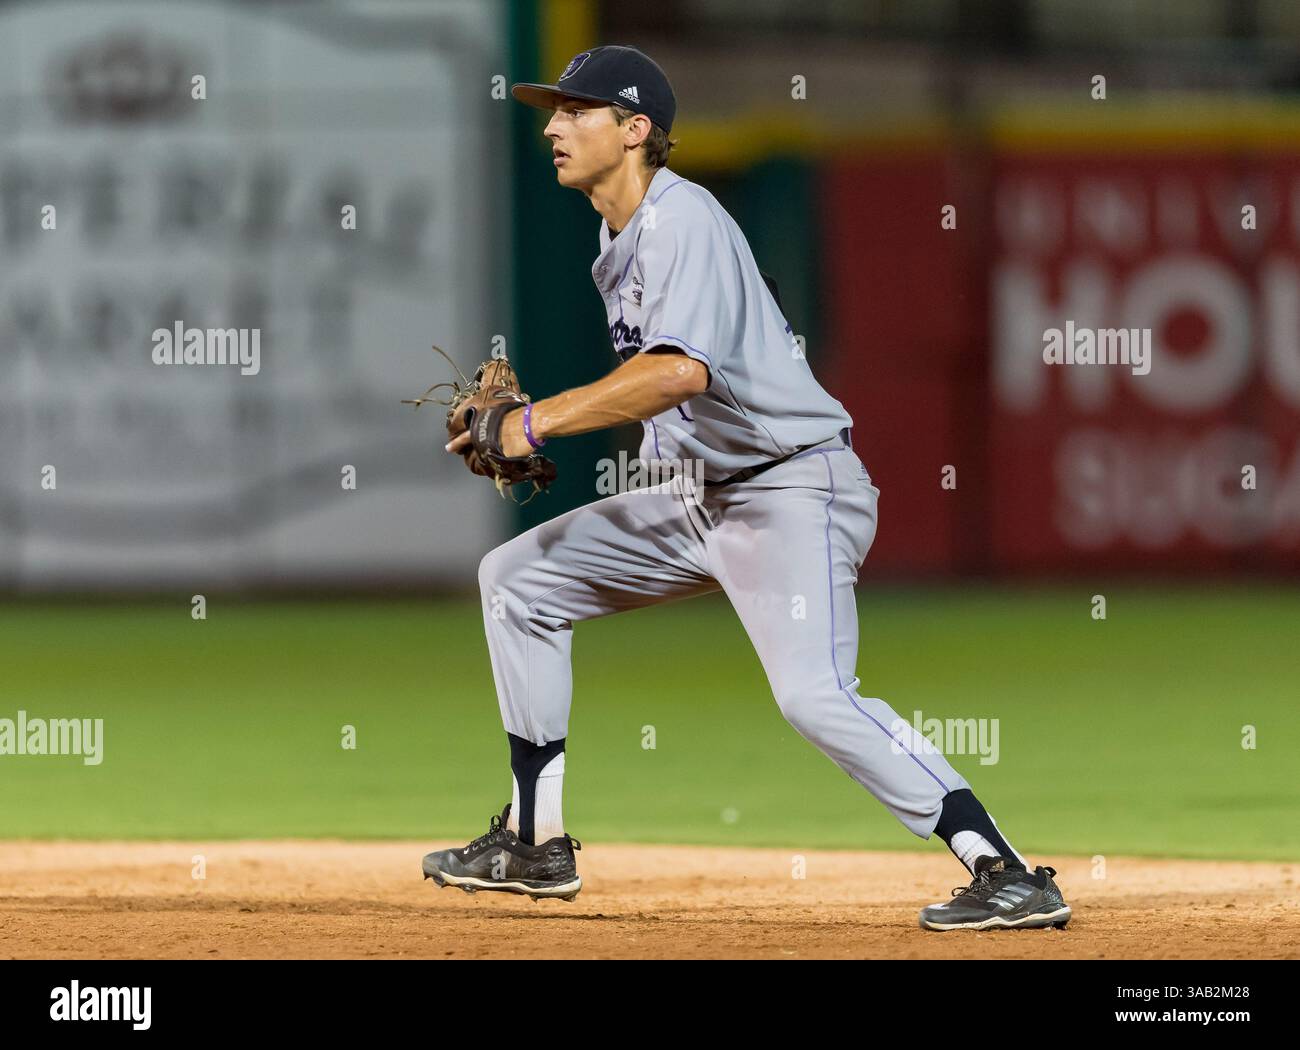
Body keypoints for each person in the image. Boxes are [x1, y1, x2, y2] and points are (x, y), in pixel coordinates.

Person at [424, 45, 1071, 931]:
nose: (553, 126)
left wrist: (534, 423)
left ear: (636, 128)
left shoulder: (680, 220)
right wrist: (541, 425)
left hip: (791, 490)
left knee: (813, 696)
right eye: (554, 110)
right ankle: (537, 844)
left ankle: (1004, 869)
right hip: (701, 499)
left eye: (576, 111)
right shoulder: (621, 235)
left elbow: (678, 373)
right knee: (518, 582)